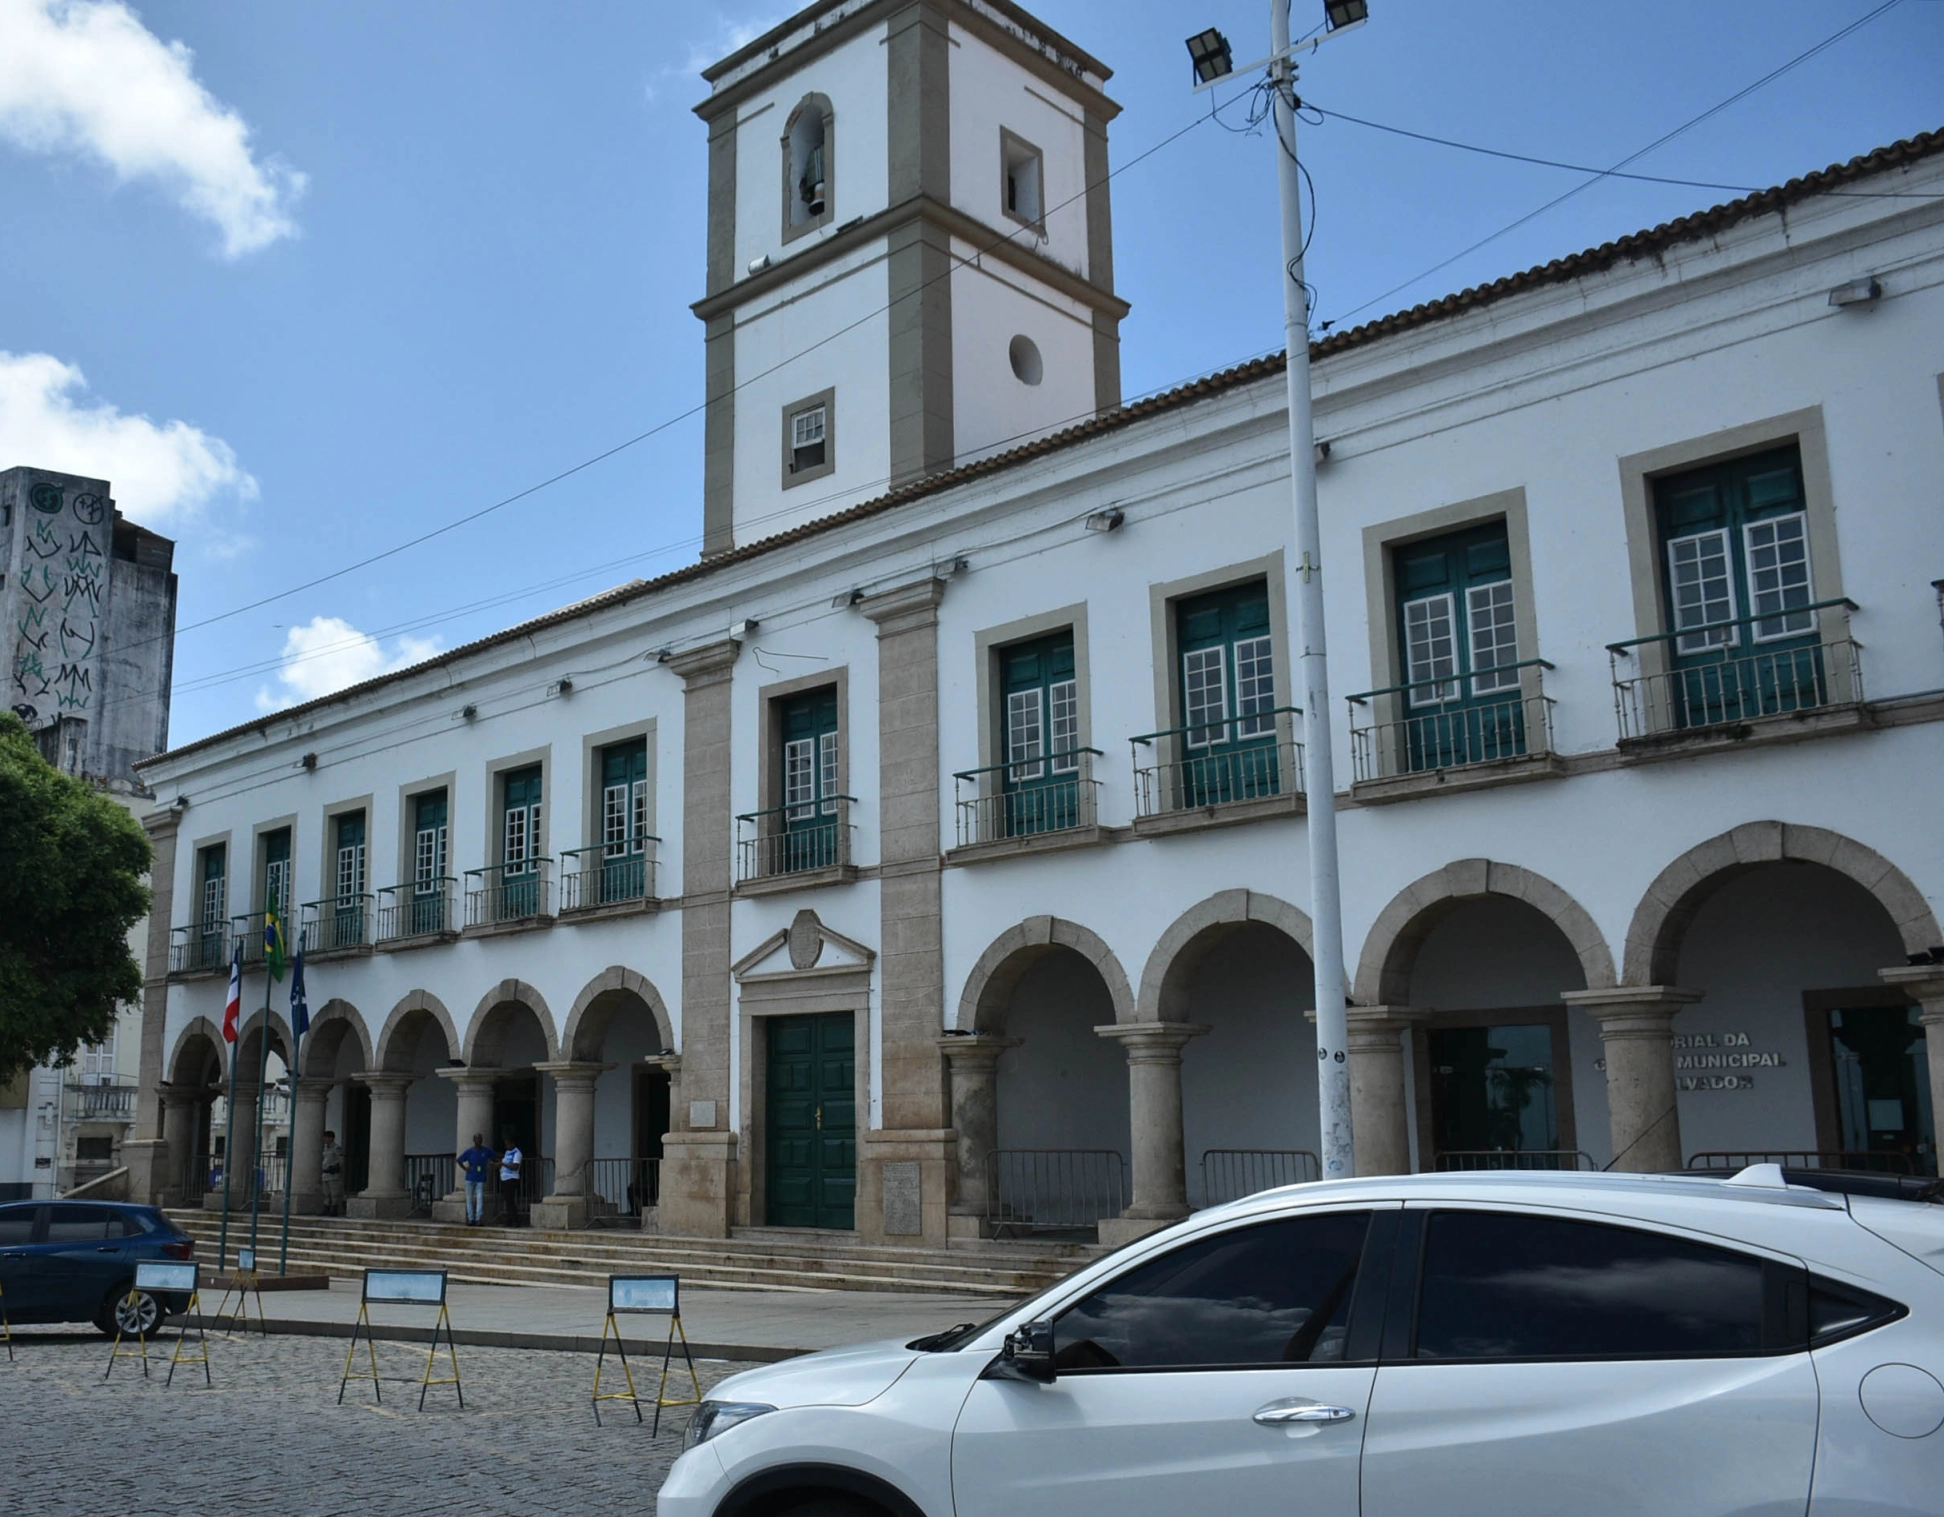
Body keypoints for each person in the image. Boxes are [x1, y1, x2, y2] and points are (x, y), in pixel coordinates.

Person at [457, 1133, 496, 1226]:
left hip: (480, 1178)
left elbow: (495, 1155)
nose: (479, 1140)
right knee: (469, 1199)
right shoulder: (469, 1151)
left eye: (480, 1139)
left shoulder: (486, 1151)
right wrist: (465, 1168)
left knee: (480, 1198)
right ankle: (471, 1218)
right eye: (477, 1139)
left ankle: (479, 1218)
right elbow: (459, 1160)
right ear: (474, 1140)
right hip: (470, 1178)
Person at [498, 1134, 524, 1227]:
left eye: (508, 1144)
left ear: (512, 1144)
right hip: (504, 1178)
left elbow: (515, 1166)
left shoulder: (517, 1153)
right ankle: (509, 1219)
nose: (506, 1146)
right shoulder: (507, 1153)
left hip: (512, 1178)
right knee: (507, 1200)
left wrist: (503, 1164)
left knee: (510, 1200)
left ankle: (515, 1221)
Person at [320, 1130, 345, 1216]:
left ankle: (334, 1210)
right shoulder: (327, 1149)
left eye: (326, 1137)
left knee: (334, 1193)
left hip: (333, 1174)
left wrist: (336, 1168)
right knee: (326, 1193)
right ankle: (326, 1209)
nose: (325, 1139)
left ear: (331, 1138)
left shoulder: (336, 1148)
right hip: (326, 1174)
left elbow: (340, 1161)